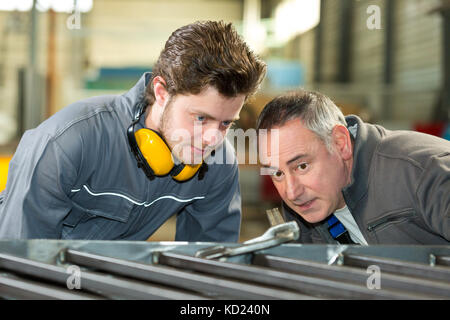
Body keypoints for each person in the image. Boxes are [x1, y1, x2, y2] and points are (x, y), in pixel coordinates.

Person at [0, 21, 266, 241]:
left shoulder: (218, 163)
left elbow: (209, 268)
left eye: (226, 123)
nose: (213, 138)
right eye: (200, 117)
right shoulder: (68, 142)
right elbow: (22, 262)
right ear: (162, 92)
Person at [256, 89, 450, 245]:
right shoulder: (303, 209)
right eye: (277, 173)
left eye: (302, 166)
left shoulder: (423, 172)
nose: (291, 193)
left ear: (341, 143)